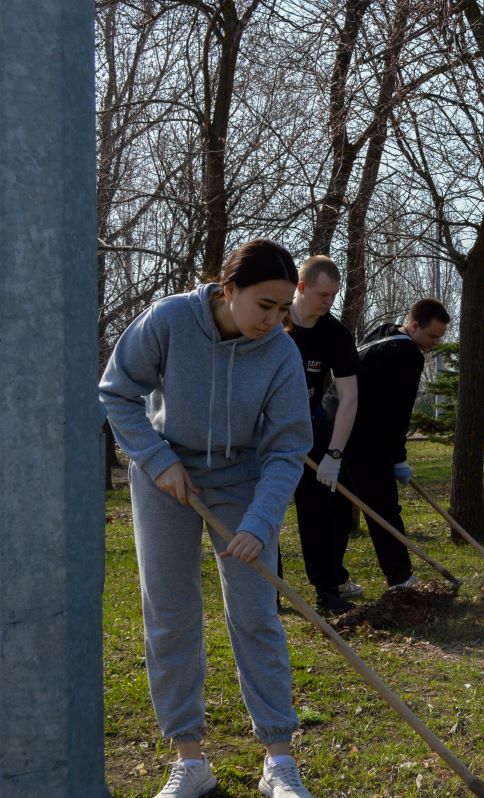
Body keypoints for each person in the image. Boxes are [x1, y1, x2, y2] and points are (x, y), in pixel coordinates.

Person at [99, 239, 316, 798]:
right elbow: (118, 393)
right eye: (264, 305)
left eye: (283, 308)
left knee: (255, 614)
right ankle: (190, 761)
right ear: (229, 290)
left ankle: (279, 760)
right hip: (165, 477)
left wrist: (259, 523)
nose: (274, 320)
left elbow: (288, 447)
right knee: (170, 612)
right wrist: (157, 460)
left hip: (240, 480)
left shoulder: (281, 353)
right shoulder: (171, 320)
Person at [344, 298, 450, 590]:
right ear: (414, 325)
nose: (434, 343)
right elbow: (398, 413)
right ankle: (401, 579)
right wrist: (398, 458)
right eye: (432, 336)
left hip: (338, 429)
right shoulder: (407, 354)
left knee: (340, 510)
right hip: (365, 437)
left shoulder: (383, 332)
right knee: (383, 509)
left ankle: (333, 580)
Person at [284, 255, 361, 613]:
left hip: (308, 428)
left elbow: (349, 398)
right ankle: (268, 588)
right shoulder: (274, 321)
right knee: (262, 508)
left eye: (334, 295)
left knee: (330, 508)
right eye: (322, 294)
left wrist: (333, 454)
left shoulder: (335, 335)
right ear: (301, 288)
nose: (328, 302)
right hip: (261, 430)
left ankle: (328, 587)